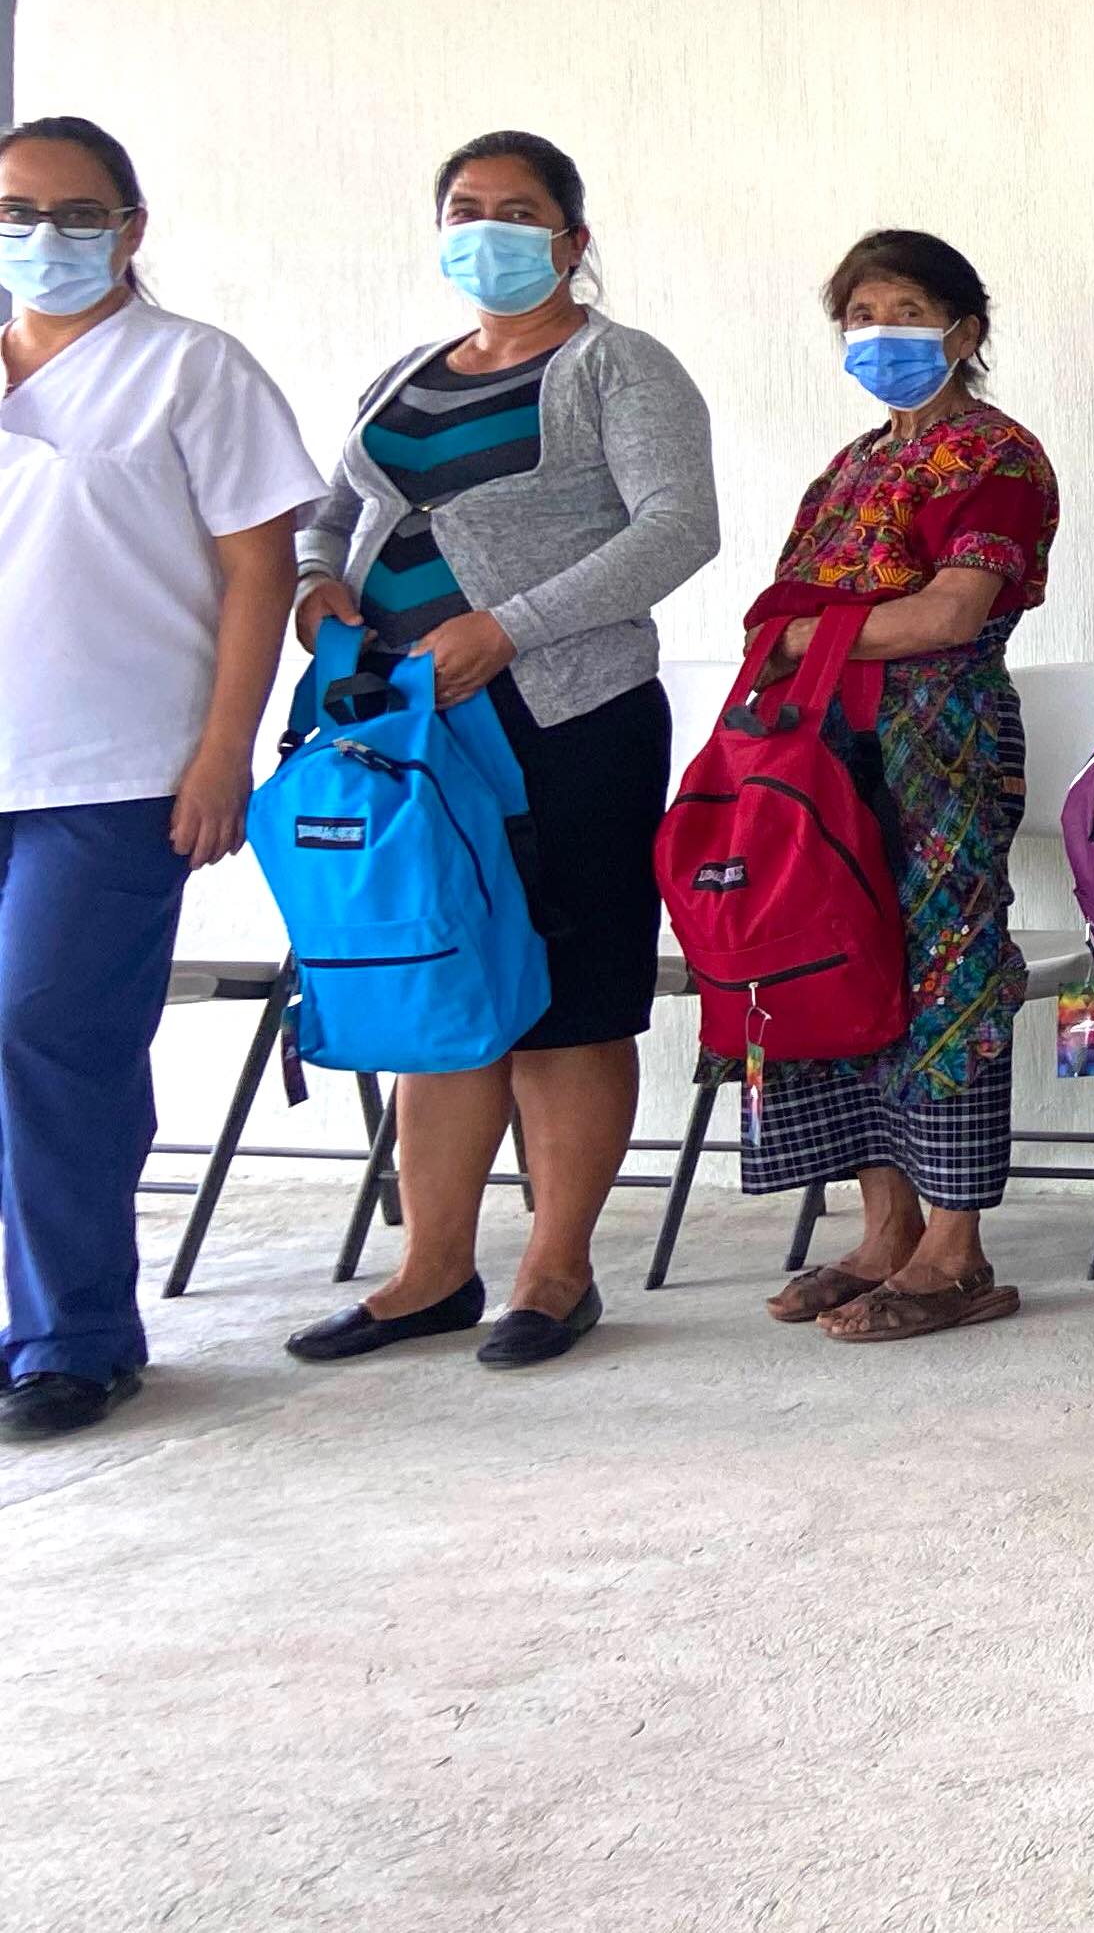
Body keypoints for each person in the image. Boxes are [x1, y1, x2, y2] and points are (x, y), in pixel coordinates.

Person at [282, 129, 721, 1371]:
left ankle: (556, 1268)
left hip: (564, 715)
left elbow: (679, 527)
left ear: (573, 241)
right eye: (465, 208)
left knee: (567, 1003)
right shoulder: (404, 372)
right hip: (406, 730)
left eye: (518, 211)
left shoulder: (616, 365)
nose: (489, 229)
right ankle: (430, 1271)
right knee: (440, 986)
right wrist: (319, 592)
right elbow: (333, 510)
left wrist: (507, 629)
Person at [0, 117, 318, 1440]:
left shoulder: (192, 369)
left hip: (115, 768)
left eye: (80, 213)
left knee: (46, 1028)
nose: (46, 237)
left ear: (133, 229)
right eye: (18, 210)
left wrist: (222, 750)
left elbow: (258, 571)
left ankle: (73, 1334)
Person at [738, 231, 1061, 1343]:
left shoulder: (998, 458)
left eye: (907, 312)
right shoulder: (850, 465)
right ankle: (885, 1228)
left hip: (942, 741)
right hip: (821, 749)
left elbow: (949, 614)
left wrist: (811, 638)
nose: (882, 336)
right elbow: (774, 611)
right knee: (840, 955)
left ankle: (956, 1247)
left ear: (964, 331)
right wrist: (810, 640)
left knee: (949, 969)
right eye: (861, 316)